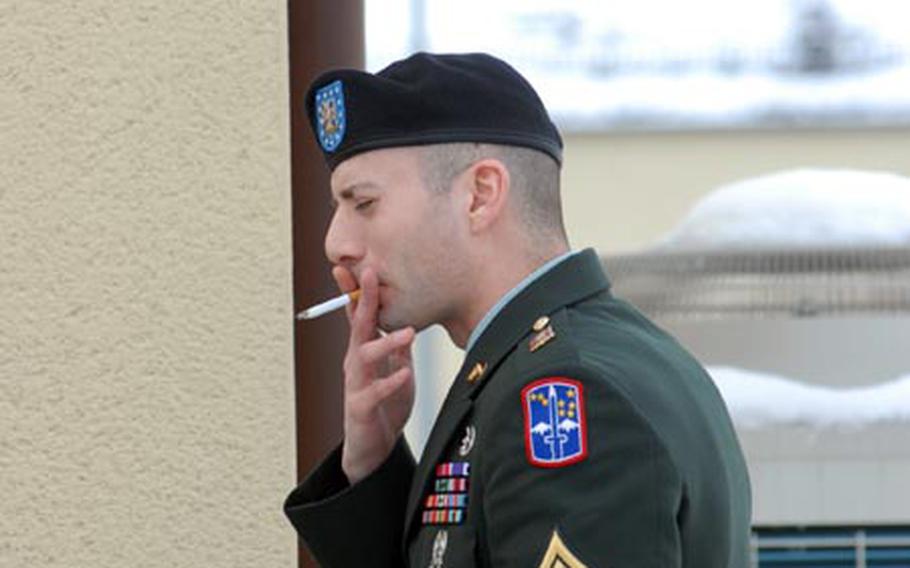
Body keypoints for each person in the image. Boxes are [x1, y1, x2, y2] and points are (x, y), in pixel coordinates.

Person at [284, 52, 752, 567]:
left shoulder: (566, 394)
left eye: (364, 203)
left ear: (480, 196)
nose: (336, 244)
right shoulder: (559, 364)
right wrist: (371, 464)